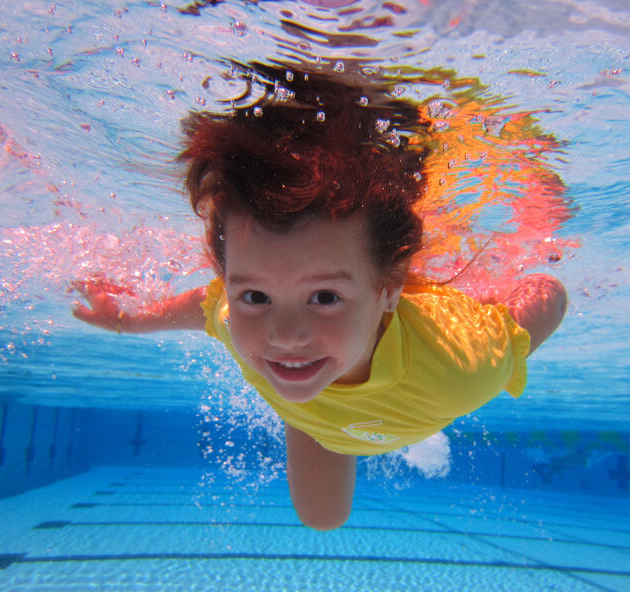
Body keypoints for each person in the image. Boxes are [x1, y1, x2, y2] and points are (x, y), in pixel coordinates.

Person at [73, 61, 567, 531]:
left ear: (389, 289)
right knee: (322, 518)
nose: (284, 335)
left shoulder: (462, 365)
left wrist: (535, 275)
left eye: (325, 297)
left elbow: (551, 296)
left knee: (321, 512)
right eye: (256, 295)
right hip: (314, 416)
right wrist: (125, 321)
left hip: (374, 390)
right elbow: (206, 307)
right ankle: (307, 402)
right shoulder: (235, 315)